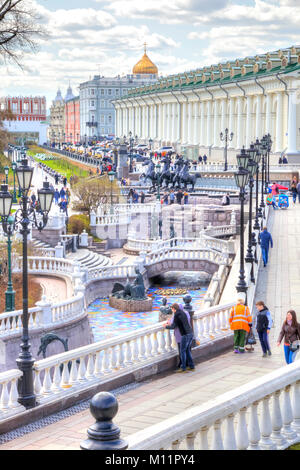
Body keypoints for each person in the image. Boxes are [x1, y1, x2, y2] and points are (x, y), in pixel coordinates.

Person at [165, 303, 194, 372]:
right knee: (187, 350)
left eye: (172, 309)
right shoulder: (184, 312)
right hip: (190, 333)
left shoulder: (177, 315)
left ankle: (183, 367)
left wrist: (165, 326)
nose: (172, 310)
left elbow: (173, 326)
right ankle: (191, 365)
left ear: (174, 309)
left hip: (185, 335)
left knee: (182, 351)